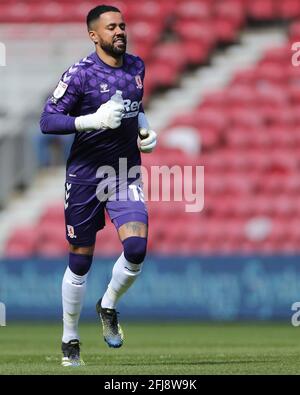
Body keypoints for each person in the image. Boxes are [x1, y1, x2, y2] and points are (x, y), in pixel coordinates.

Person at [40, 4, 157, 367]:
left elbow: (136, 106)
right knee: (80, 261)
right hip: (85, 176)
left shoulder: (137, 66)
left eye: (122, 25)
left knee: (136, 248)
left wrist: (144, 128)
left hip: (124, 171)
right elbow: (48, 121)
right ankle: (70, 338)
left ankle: (107, 304)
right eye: (111, 28)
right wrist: (91, 120)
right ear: (94, 35)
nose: (120, 31)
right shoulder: (79, 74)